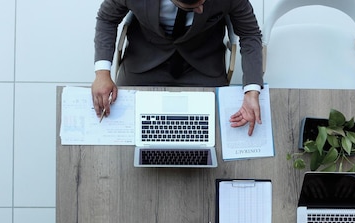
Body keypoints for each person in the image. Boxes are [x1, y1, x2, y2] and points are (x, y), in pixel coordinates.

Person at [92, 0, 264, 136]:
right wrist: (102, 73)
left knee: (215, 132)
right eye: (192, 7)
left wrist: (252, 90)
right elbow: (107, 18)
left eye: (202, 2)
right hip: (144, 60)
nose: (200, 10)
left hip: (203, 62)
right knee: (124, 129)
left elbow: (250, 34)